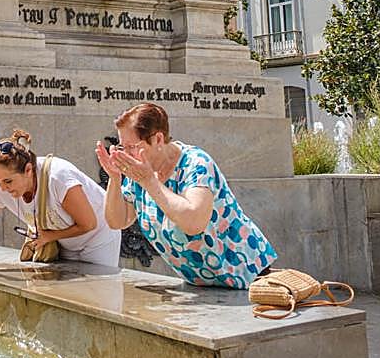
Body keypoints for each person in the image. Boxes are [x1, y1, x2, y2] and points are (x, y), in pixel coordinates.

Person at [96, 103, 277, 288]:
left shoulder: (196, 163)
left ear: (158, 139)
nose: (126, 154)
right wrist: (115, 179)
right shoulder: (140, 173)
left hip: (247, 277)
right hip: (203, 285)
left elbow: (193, 223)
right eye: (121, 146)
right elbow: (117, 221)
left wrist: (150, 182)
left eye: (131, 146)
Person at [0, 128, 121, 266]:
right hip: (64, 242)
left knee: (98, 294)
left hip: (99, 237)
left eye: (8, 181)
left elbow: (89, 224)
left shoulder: (58, 178)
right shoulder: (3, 187)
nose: (2, 188)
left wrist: (50, 236)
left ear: (28, 170)